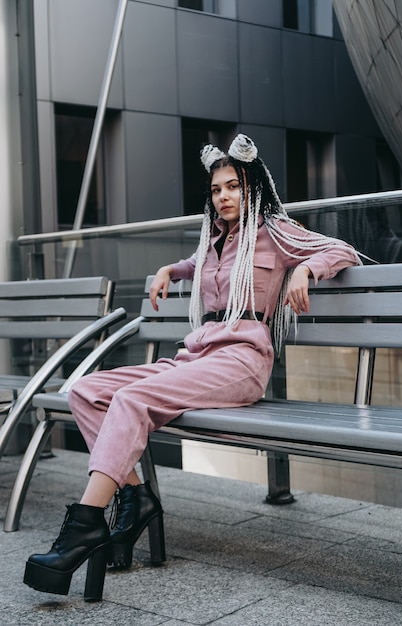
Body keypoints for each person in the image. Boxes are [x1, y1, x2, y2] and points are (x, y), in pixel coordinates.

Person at [23, 134, 361, 601]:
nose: (223, 196)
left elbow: (340, 250)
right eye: (217, 189)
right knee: (86, 391)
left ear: (253, 189)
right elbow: (195, 264)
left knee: (131, 399)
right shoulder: (213, 243)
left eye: (234, 187)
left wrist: (305, 270)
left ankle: (84, 526)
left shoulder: (276, 234)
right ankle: (136, 497)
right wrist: (170, 269)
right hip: (198, 355)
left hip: (242, 360)